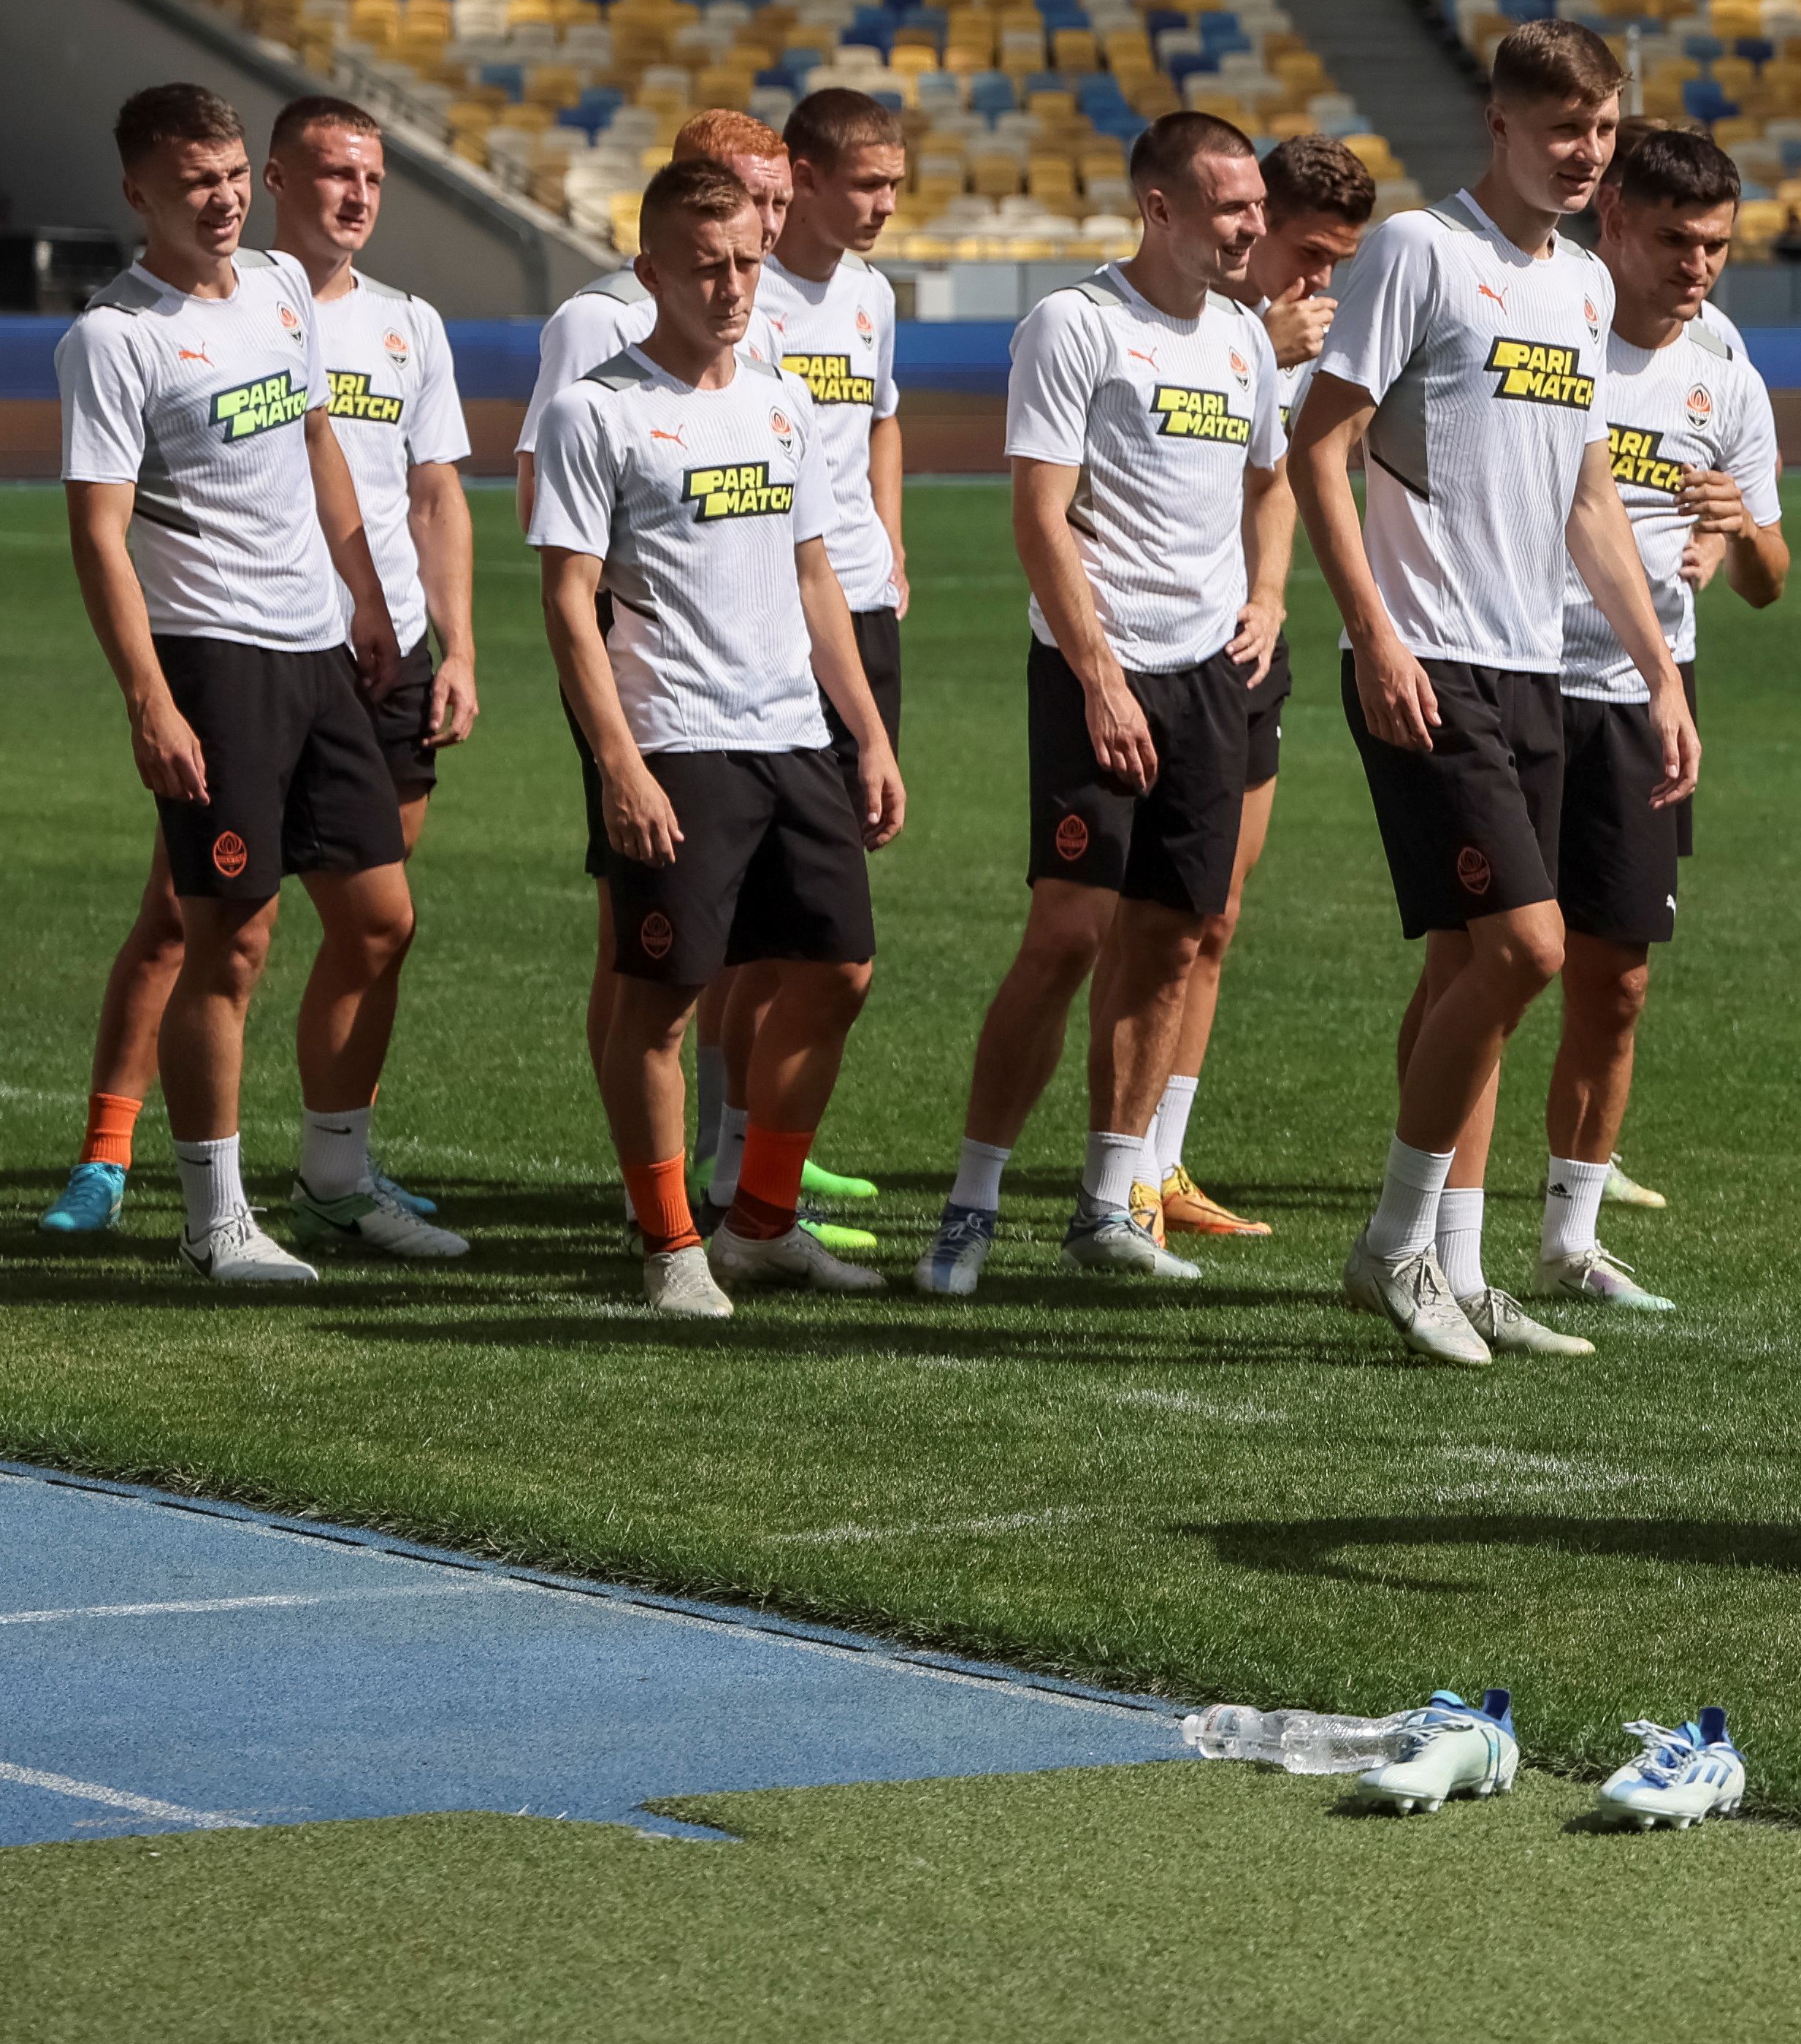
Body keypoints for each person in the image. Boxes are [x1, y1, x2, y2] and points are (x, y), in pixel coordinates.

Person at [1289, 18, 1697, 1367]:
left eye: (1601, 130)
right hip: (1430, 657)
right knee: (1526, 948)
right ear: (1502, 125)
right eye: (1562, 128)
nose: (1585, 154)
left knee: (1481, 968)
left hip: (1537, 666)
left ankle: (1459, 1271)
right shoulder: (1420, 248)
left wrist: (1653, 671)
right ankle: (1394, 1247)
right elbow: (1321, 445)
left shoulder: (1581, 287)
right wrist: (1374, 630)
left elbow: (1589, 497)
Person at [40, 96, 477, 1240]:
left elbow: (322, 443)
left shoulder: (282, 292)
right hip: (213, 658)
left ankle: (336, 1178)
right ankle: (213, 1219)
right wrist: (150, 700)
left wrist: (372, 602)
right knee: (225, 936)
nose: (226, 197)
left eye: (234, 173)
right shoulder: (114, 335)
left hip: (320, 648)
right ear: (140, 195)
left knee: (380, 919)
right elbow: (98, 532)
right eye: (197, 182)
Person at [917, 112, 1287, 1293]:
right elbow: (1037, 516)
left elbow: (1271, 479)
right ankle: (971, 1206)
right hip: (1098, 673)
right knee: (1069, 934)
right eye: (1233, 208)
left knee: (1175, 937)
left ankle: (1107, 1201)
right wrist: (1098, 676)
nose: (1254, 227)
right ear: (1161, 208)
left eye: (1257, 208)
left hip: (1209, 679)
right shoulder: (1075, 327)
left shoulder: (1243, 338)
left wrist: (1269, 594)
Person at [529, 158, 904, 1319]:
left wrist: (869, 735)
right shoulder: (598, 407)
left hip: (794, 732)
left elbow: (814, 576)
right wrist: (620, 763)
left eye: (746, 260)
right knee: (665, 999)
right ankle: (670, 1245)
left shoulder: (782, 397)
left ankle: (761, 1223)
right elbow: (567, 601)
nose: (735, 284)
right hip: (676, 739)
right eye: (707, 266)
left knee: (839, 970)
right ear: (650, 272)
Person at [1468, 123, 1788, 1317]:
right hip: (1509, 671)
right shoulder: (1547, 326)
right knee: (1483, 961)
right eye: (1673, 239)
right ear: (1611, 221)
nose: (1697, 265)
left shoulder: (1727, 370)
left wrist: (1738, 526)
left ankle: (1569, 1238)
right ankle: (1435, 1233)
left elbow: (1768, 575)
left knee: (1616, 981)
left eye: (1715, 245)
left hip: (1644, 696)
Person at [1123, 131, 1381, 1244]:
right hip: (1142, 651)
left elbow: (1280, 478)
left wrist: (1273, 595)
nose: (1320, 280)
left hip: (1244, 645)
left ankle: (1162, 1161)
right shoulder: (1174, 320)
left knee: (1216, 917)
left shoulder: (1304, 333)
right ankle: (1117, 1167)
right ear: (1248, 220)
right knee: (1144, 924)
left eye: (1339, 262)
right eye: (1309, 252)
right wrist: (1265, 351)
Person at [706, 88, 911, 1216]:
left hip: (856, 605)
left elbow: (881, 415)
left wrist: (891, 536)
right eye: (866, 185)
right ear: (809, 180)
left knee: (826, 894)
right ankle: (731, 1146)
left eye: (893, 185)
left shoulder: (872, 295)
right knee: (760, 910)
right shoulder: (748, 290)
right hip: (774, 611)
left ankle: (765, 1144)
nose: (882, 206)